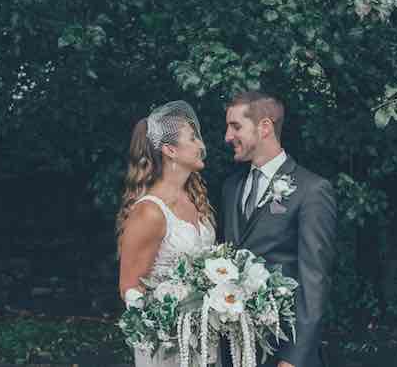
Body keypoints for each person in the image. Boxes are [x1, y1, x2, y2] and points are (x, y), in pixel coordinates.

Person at [220, 91, 337, 367]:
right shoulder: (230, 188)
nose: (227, 136)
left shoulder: (312, 190)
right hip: (233, 350)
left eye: (236, 126)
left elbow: (314, 280)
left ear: (265, 127)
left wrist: (293, 358)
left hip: (283, 350)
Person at [117, 101, 219, 367]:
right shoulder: (150, 212)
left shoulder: (197, 201)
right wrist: (165, 321)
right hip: (167, 346)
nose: (201, 145)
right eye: (193, 137)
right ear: (170, 150)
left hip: (205, 340)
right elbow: (129, 288)